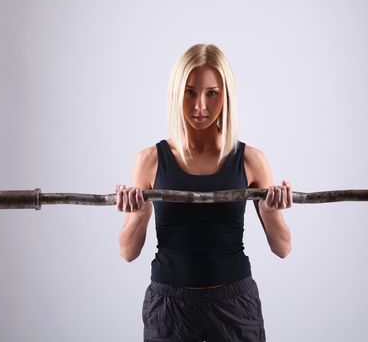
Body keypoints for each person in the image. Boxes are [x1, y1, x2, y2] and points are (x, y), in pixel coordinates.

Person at [115, 43, 292, 342]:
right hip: (170, 309)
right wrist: (140, 213)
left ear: (226, 95)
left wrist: (271, 211)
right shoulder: (150, 160)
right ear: (176, 93)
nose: (200, 106)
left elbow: (282, 248)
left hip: (234, 307)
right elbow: (127, 252)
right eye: (190, 92)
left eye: (212, 93)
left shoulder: (251, 160)